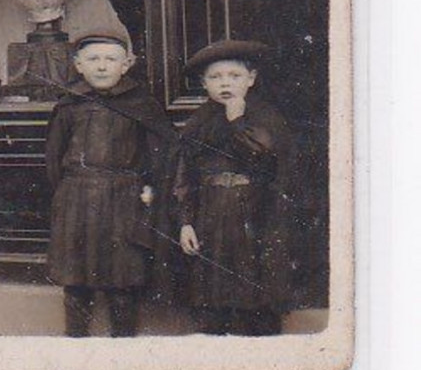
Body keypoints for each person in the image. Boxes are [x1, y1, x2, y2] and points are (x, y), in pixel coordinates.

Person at [44, 33, 172, 337]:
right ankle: (76, 343)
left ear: (126, 64)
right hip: (76, 198)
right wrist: (64, 194)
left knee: (122, 277)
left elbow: (161, 151)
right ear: (78, 64)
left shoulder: (141, 104)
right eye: (93, 59)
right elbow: (54, 156)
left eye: (111, 59)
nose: (102, 67)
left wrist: (151, 186)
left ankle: (122, 346)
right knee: (75, 279)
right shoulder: (69, 105)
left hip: (124, 198)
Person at [173, 40, 297, 336]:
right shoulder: (198, 123)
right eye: (215, 77)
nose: (225, 83)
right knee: (212, 289)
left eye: (234, 76)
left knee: (253, 287)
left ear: (251, 79)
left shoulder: (265, 118)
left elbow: (263, 158)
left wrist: (237, 120)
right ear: (204, 83)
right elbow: (183, 177)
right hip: (211, 215)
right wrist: (185, 222)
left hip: (254, 214)